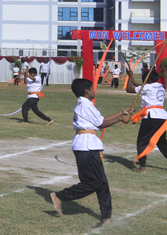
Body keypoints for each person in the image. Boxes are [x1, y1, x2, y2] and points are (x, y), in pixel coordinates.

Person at [49, 78, 132, 224]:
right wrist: (120, 119)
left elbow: (100, 120)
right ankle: (60, 196)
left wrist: (122, 112)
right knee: (93, 182)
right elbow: (101, 123)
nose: (94, 91)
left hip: (89, 145)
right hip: (85, 147)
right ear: (87, 91)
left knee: (102, 183)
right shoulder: (86, 105)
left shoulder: (85, 104)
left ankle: (106, 217)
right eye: (93, 88)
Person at [126, 67, 166, 173]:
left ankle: (142, 167)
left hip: (151, 116)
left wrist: (130, 77)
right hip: (162, 117)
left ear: (148, 80)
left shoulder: (146, 87)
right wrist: (133, 79)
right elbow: (141, 87)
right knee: (162, 142)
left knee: (142, 141)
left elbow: (129, 89)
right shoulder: (161, 86)